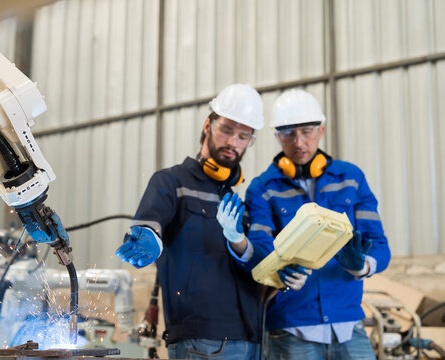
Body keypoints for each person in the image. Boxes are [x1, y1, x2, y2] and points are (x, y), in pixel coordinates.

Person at [217, 89, 391, 360]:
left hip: (348, 324)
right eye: (287, 133)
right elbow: (261, 249)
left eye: (307, 131)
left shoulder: (351, 179)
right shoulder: (263, 189)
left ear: (321, 131)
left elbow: (379, 244)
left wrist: (363, 266)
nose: (298, 142)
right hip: (291, 328)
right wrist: (277, 269)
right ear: (276, 136)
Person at [115, 84, 266, 359]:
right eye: (227, 130)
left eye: (244, 136)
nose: (233, 142)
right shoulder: (171, 182)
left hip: (253, 339)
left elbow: (257, 266)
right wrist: (149, 235)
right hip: (202, 342)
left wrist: (240, 242)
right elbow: (152, 221)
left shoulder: (238, 205)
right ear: (208, 125)